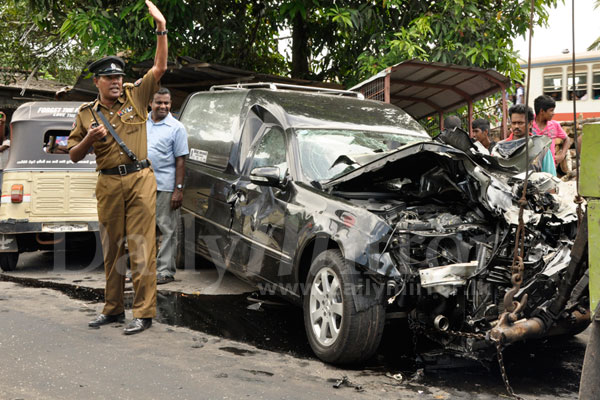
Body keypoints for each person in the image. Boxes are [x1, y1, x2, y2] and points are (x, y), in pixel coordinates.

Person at [67, 0, 168, 335]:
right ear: (96, 81)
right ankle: (113, 310)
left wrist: (161, 29)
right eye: (109, 77)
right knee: (112, 247)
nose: (115, 81)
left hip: (139, 178)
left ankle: (144, 313)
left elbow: (159, 69)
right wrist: (89, 140)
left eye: (119, 76)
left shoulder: (136, 97)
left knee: (140, 246)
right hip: (108, 183)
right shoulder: (85, 114)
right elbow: (73, 155)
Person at [146, 87, 188, 284]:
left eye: (166, 103)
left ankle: (165, 271)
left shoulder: (176, 127)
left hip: (165, 186)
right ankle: (144, 269)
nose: (163, 106)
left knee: (166, 228)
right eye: (159, 102)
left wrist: (178, 190)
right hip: (141, 185)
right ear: (150, 103)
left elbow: (181, 160)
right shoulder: (140, 122)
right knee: (143, 229)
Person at [500, 104, 556, 176]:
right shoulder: (501, 148)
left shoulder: (542, 149)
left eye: (520, 123)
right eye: (514, 123)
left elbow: (551, 179)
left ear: (530, 124)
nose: (516, 126)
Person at [532, 95, 572, 174]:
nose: (553, 113)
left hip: (550, 167)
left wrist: (562, 155)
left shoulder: (554, 125)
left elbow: (567, 139)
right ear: (542, 111)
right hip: (532, 166)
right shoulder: (529, 124)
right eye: (551, 110)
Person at [0, 112, 9, 195]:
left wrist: (2, 123)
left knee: (2, 188)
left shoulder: (8, 142)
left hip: (4, 169)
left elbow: (1, 149)